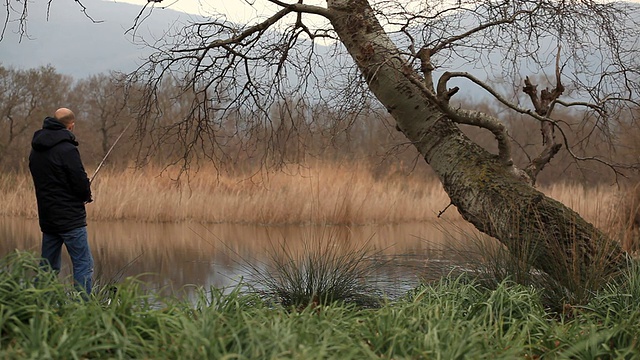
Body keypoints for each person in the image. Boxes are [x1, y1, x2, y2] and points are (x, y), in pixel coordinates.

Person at [29, 108, 94, 296]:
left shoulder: (36, 150)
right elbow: (79, 181)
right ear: (70, 125)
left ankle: (41, 304)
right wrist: (85, 196)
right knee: (83, 264)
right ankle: (83, 308)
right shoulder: (67, 149)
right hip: (70, 218)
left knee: (48, 267)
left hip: (48, 217)